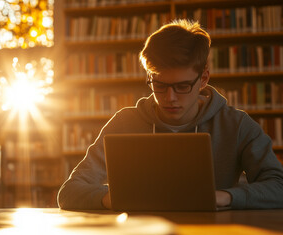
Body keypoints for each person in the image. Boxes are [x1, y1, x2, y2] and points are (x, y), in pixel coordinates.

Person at [57, 19, 283, 210]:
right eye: (159, 85)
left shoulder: (237, 125)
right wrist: (114, 199)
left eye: (182, 86)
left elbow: (278, 186)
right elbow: (69, 192)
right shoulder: (123, 124)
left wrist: (224, 196)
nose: (170, 97)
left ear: (203, 79)